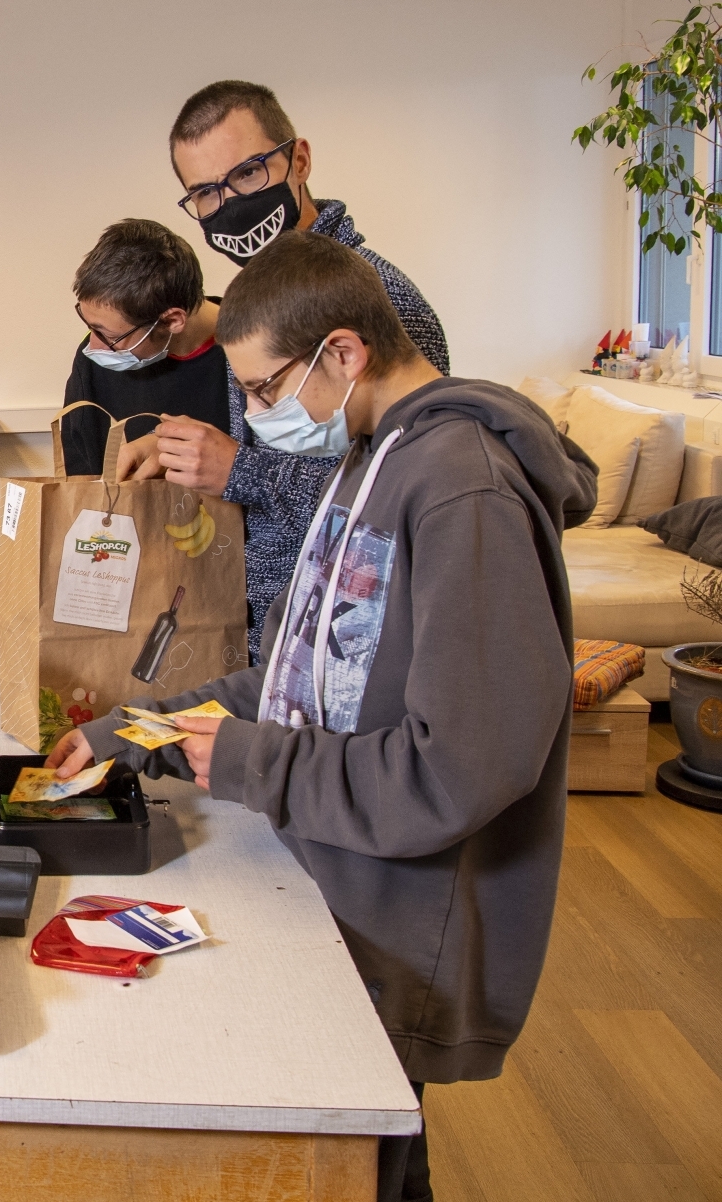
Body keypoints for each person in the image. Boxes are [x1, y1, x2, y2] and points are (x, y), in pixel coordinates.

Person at [47, 232, 596, 1202]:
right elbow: (297, 675)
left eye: (262, 393)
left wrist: (255, 764)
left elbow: (461, 766)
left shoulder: (459, 485)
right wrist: (128, 732)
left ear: (342, 354)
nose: (253, 420)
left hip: (402, 910)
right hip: (334, 875)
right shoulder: (362, 460)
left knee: (364, 1165)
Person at [118, 81, 452, 660]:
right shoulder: (257, 298)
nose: (229, 204)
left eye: (247, 174)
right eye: (204, 193)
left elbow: (409, 504)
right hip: (278, 631)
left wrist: (240, 469)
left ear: (299, 159)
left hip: (347, 645)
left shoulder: (377, 297)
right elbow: (277, 447)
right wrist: (184, 452)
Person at [60, 220, 231, 477]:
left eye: (108, 335)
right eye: (91, 326)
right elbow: (80, 476)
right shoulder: (95, 361)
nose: (92, 347)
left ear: (172, 320)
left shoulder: (255, 356)